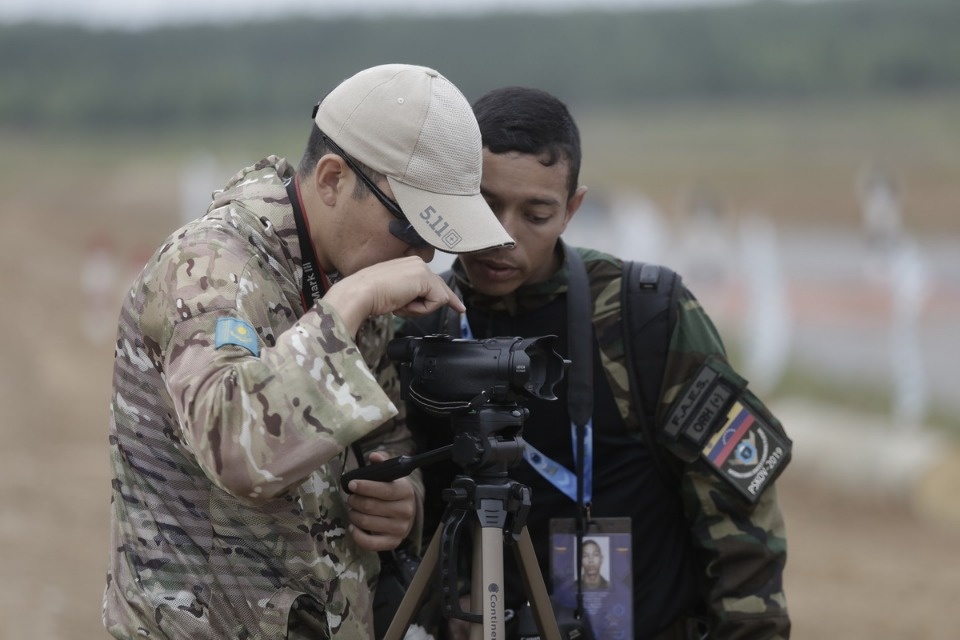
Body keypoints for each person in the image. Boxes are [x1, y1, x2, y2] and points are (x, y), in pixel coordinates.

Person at [101, 64, 514, 640]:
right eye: (412, 228)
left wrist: (404, 500)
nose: (422, 257)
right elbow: (236, 448)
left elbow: (388, 435)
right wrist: (348, 305)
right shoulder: (211, 268)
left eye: (437, 237)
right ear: (332, 180)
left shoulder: (349, 265)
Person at [399, 86, 791, 639]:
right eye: (485, 206)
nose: (503, 236)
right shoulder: (418, 324)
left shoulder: (645, 316)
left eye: (536, 214)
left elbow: (739, 514)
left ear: (572, 209)